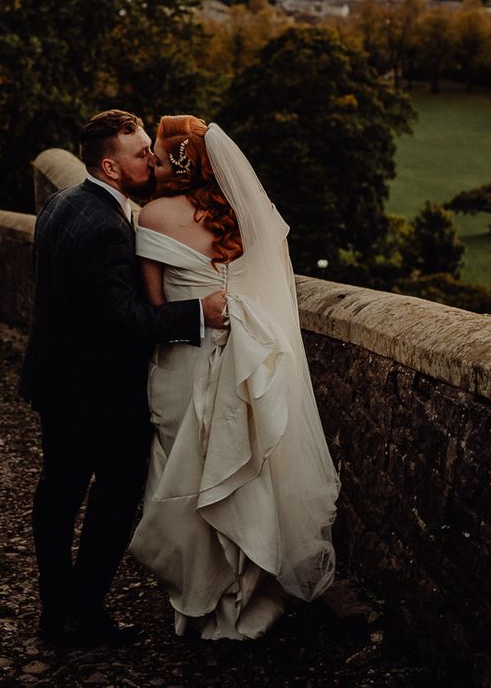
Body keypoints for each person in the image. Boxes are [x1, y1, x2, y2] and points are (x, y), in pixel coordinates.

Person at [19, 109, 228, 646]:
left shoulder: (61, 205)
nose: (154, 164)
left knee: (58, 493)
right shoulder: (109, 230)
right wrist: (195, 313)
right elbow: (122, 322)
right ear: (111, 168)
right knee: (114, 499)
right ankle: (83, 613)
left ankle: (54, 609)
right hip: (102, 396)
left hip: (55, 383)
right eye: (142, 156)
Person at [129, 115, 340, 639]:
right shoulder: (245, 216)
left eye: (155, 154)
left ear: (177, 163)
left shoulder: (151, 216)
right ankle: (250, 597)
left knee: (187, 475)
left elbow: (155, 309)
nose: (150, 162)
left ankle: (198, 600)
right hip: (252, 363)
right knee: (248, 475)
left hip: (184, 360)